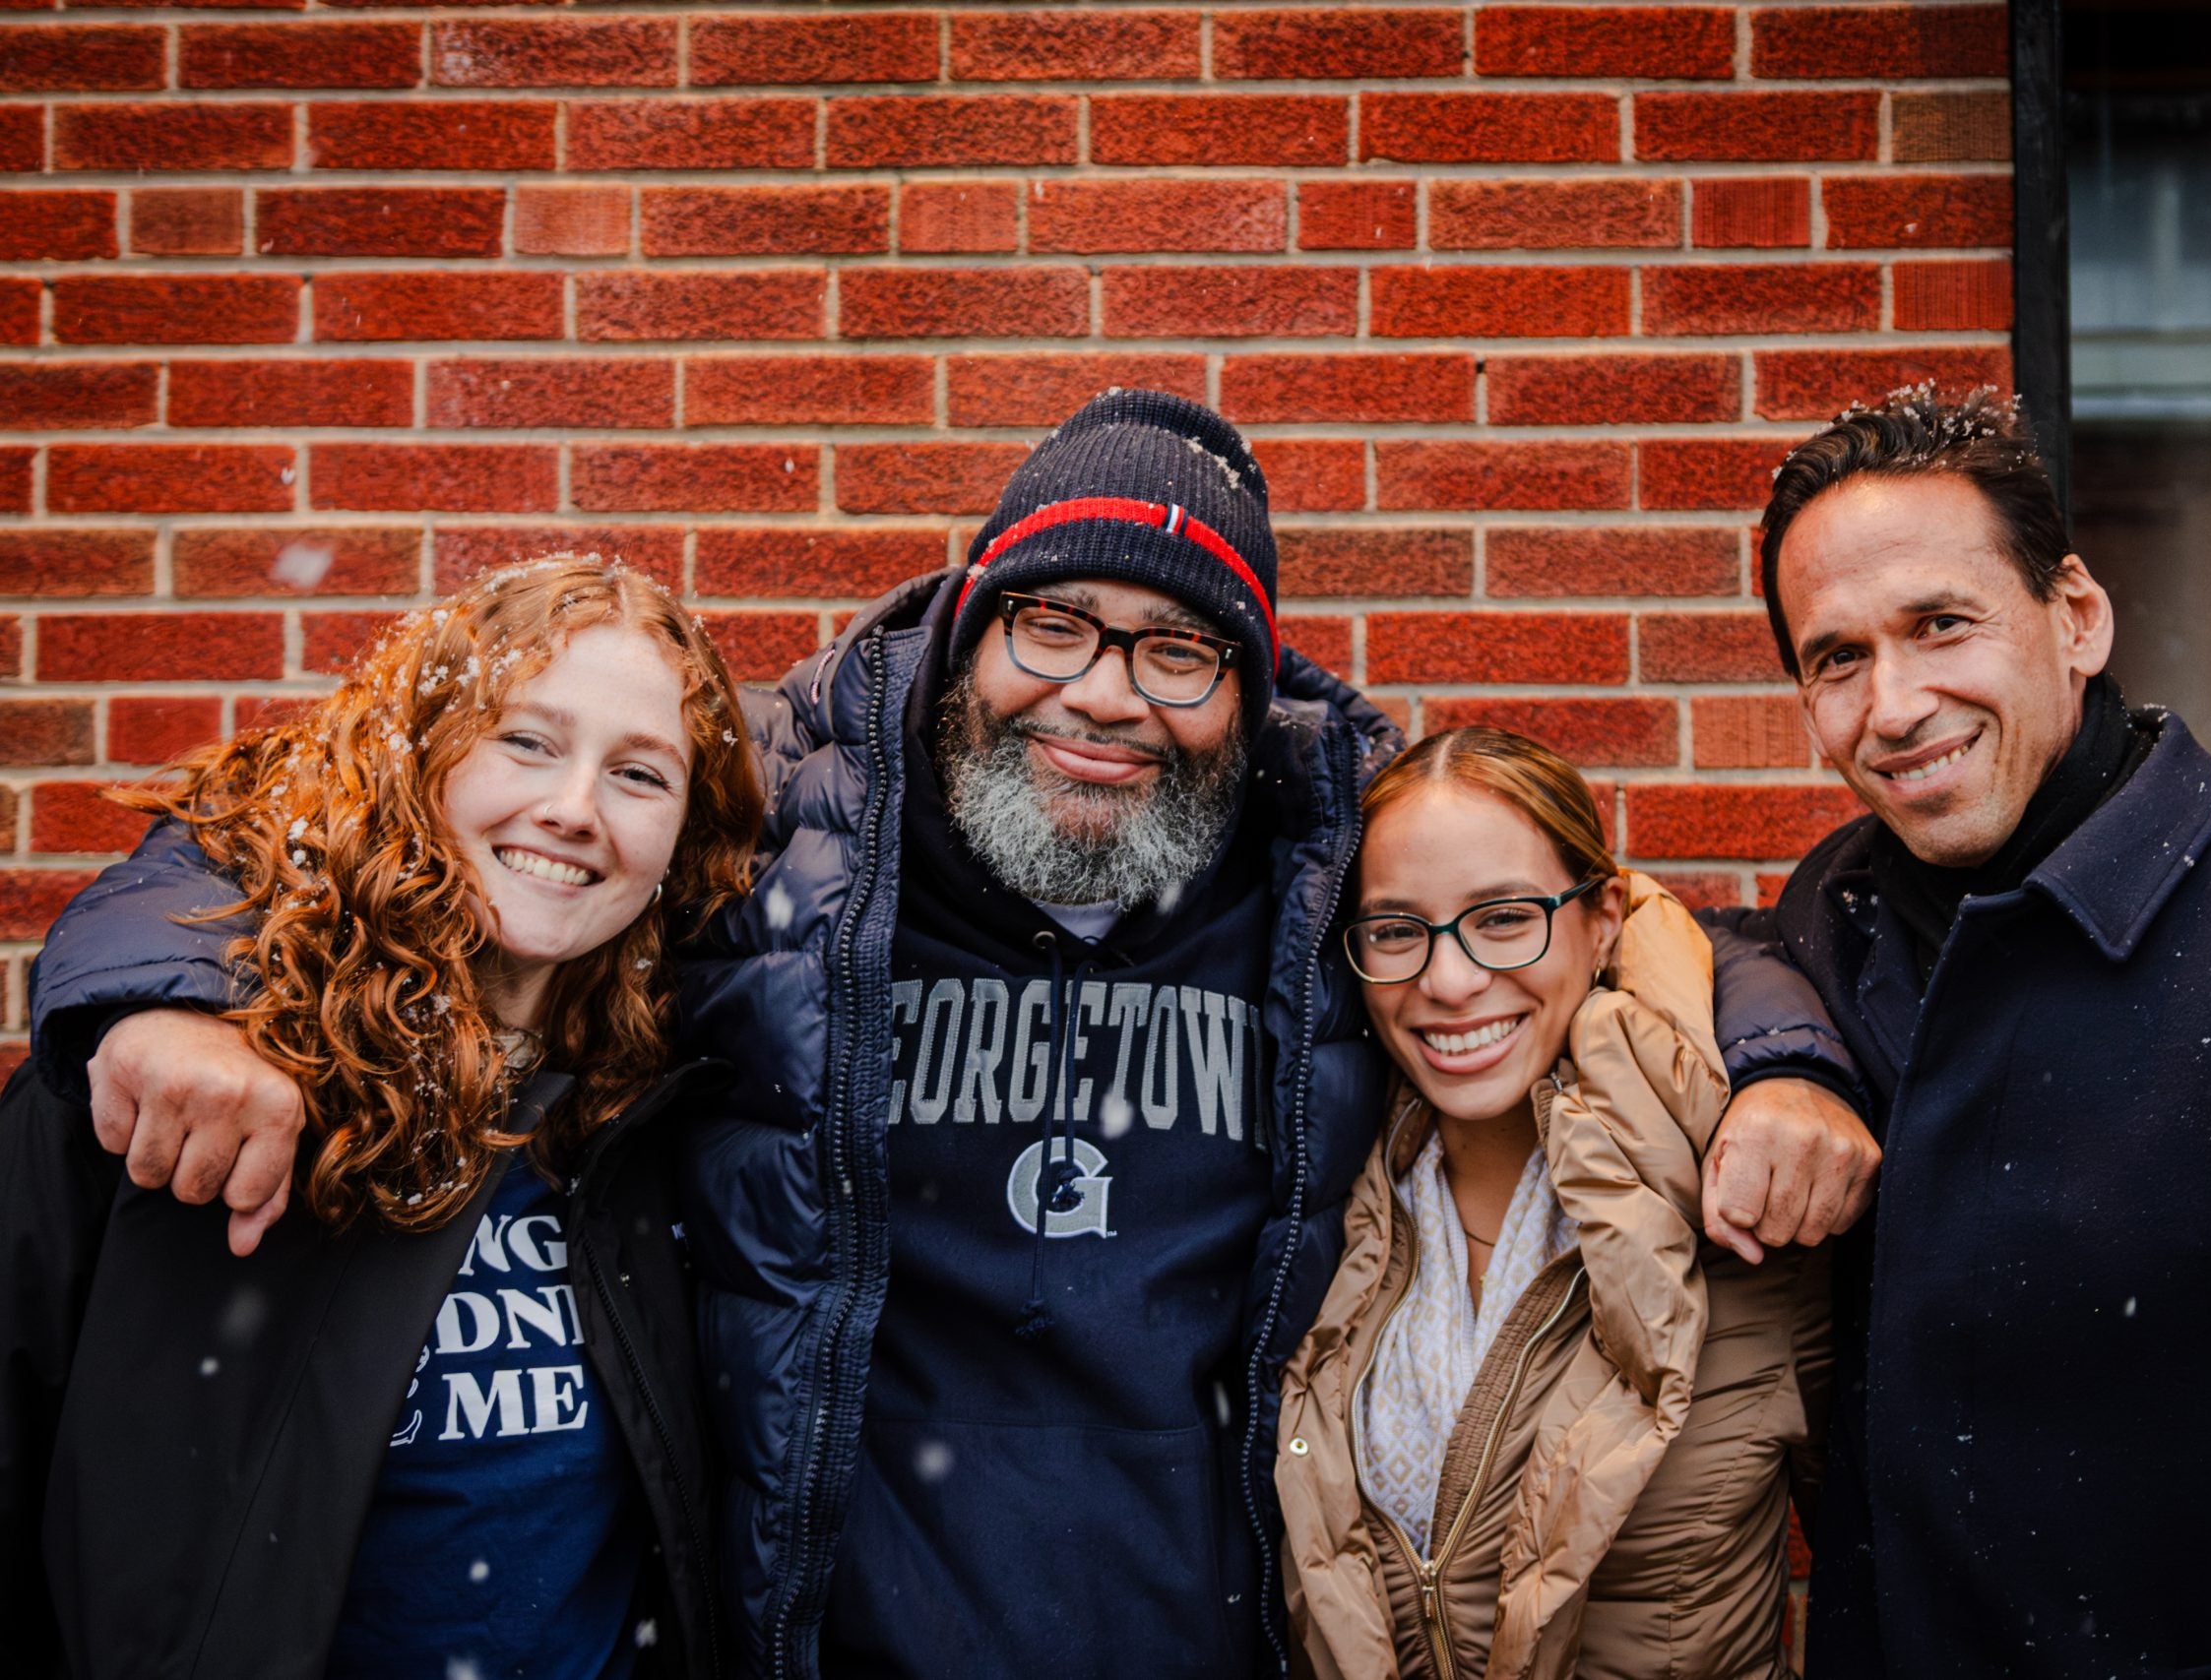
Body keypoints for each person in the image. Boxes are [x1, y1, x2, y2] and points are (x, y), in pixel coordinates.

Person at [26, 393, 1868, 1677]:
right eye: (1054, 625)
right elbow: (344, 827)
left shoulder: (1324, 852)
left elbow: (1619, 913)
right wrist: (164, 988)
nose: (1102, 695)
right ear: (973, 619)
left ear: (1247, 693)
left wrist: (1785, 1054)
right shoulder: (777, 823)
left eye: (1179, 650)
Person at [1739, 384, 2211, 1675]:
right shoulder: (1841, 922)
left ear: (2078, 616)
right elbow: (1701, 942)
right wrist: (1785, 1065)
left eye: (1942, 624)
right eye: (1837, 657)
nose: (1893, 704)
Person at [0, 558, 764, 1679]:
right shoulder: (157, 1081)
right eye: (528, 742)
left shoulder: (659, 1114)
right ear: (423, 759)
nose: (572, 809)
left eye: (639, 774)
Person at [1276, 728, 1830, 1680]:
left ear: (1605, 915)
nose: (1448, 983)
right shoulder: (1313, 1203)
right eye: (1397, 930)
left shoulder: (1751, 1196)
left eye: (1502, 918)